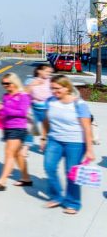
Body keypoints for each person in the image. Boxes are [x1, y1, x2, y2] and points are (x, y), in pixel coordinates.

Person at [41, 75, 96, 214]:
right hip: (54, 140)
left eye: (57, 88)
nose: (54, 91)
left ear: (67, 88)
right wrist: (44, 138)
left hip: (75, 142)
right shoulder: (50, 101)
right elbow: (46, 121)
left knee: (71, 173)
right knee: (49, 167)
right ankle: (57, 196)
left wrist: (89, 149)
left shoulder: (79, 104)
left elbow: (87, 128)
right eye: (52, 88)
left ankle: (73, 202)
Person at [0, 72, 32, 189]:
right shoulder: (6, 96)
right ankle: (26, 178)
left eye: (7, 83)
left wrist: (4, 108)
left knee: (9, 153)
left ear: (14, 82)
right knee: (17, 155)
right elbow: (5, 113)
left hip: (18, 128)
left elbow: (22, 112)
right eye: (3, 83)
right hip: (8, 127)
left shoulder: (23, 96)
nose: (5, 86)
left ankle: (2, 181)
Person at [25, 63, 54, 151]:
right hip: (34, 108)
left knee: (48, 129)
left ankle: (44, 143)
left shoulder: (51, 81)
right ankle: (26, 147)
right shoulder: (30, 81)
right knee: (31, 128)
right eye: (47, 71)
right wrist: (32, 84)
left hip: (47, 109)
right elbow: (24, 94)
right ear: (39, 71)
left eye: (50, 72)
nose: (49, 73)